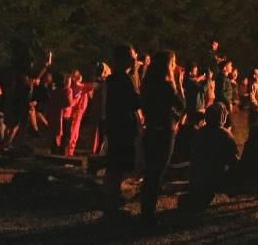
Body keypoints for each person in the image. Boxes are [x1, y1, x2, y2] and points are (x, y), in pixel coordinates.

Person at [140, 50, 185, 228]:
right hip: (165, 132)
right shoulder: (167, 85)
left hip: (151, 130)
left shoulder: (148, 84)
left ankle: (146, 211)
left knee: (151, 172)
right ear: (167, 65)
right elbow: (181, 105)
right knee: (157, 173)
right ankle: (149, 216)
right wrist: (178, 83)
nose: (175, 67)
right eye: (173, 63)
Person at [103, 45, 142, 220]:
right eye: (133, 57)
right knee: (118, 167)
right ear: (125, 59)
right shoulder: (123, 79)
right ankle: (113, 205)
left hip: (116, 127)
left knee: (115, 166)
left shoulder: (114, 79)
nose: (136, 60)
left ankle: (112, 202)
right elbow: (135, 101)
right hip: (123, 127)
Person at [184, 102, 240, 211]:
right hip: (214, 177)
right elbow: (234, 159)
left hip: (197, 174)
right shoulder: (225, 134)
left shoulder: (200, 132)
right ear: (222, 116)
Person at [48, 72, 80, 155]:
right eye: (69, 81)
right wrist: (76, 99)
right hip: (65, 116)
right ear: (65, 81)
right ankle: (62, 153)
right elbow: (69, 103)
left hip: (55, 115)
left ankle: (54, 151)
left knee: (55, 134)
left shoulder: (54, 91)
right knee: (66, 136)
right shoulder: (68, 90)